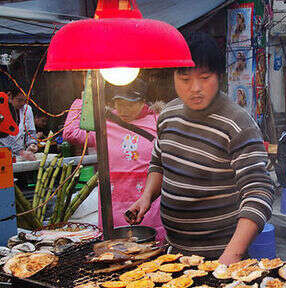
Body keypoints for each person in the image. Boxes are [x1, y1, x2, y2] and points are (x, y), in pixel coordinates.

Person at [126, 32, 274, 265]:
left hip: (221, 257)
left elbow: (259, 193)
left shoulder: (237, 123)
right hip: (174, 254)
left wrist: (230, 257)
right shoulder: (167, 115)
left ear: (220, 77)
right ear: (174, 77)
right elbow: (158, 162)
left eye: (204, 78)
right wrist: (146, 197)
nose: (195, 88)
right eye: (185, 80)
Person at [63, 78, 165, 241]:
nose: (124, 109)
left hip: (148, 200)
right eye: (119, 103)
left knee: (151, 248)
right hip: (113, 202)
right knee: (114, 251)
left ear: (143, 102)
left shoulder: (157, 120)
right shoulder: (105, 122)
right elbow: (70, 133)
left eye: (130, 104)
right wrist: (84, 98)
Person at [0, 86, 37, 160]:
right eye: (19, 100)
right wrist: (21, 152)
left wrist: (32, 144)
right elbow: (2, 135)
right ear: (9, 96)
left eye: (25, 100)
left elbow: (30, 130)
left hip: (20, 155)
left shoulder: (27, 109)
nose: (22, 103)